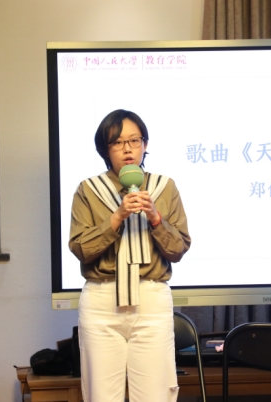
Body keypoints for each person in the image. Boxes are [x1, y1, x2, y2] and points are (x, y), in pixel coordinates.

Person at [69, 109, 191, 402]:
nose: (127, 149)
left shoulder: (164, 187)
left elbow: (178, 249)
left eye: (135, 141)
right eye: (117, 142)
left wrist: (156, 218)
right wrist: (117, 216)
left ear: (145, 145)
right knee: (101, 395)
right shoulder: (89, 190)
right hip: (102, 301)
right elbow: (81, 248)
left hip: (151, 298)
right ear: (105, 149)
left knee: (154, 394)